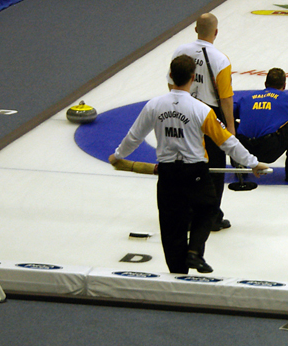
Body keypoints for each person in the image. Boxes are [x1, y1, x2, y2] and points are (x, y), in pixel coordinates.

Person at [109, 55, 268, 274]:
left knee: (171, 226)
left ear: (171, 76)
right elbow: (226, 141)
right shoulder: (201, 110)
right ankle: (195, 251)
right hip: (195, 171)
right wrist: (252, 163)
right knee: (207, 209)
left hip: (168, 173)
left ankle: (177, 272)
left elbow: (134, 137)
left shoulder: (154, 105)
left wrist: (118, 155)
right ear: (193, 78)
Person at [171, 13, 239, 233]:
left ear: (195, 29)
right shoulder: (220, 59)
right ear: (216, 32)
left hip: (184, 110)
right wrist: (230, 127)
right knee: (214, 168)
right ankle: (211, 216)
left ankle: (187, 212)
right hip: (210, 115)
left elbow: (172, 85)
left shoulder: (180, 52)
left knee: (187, 162)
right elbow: (226, 97)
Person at [233, 67, 288, 182]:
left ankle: (240, 163)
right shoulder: (287, 100)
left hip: (243, 148)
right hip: (268, 149)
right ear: (284, 85)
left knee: (230, 121)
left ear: (265, 84)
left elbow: (227, 114)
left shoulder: (246, 98)